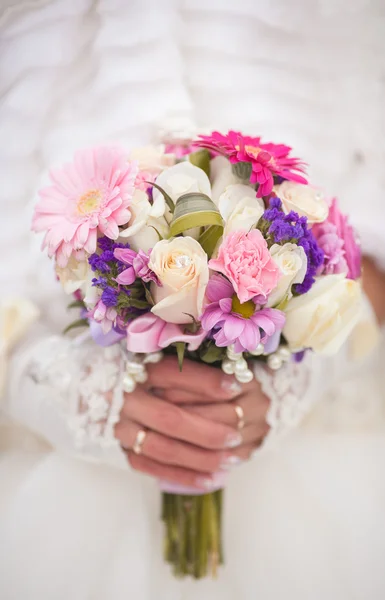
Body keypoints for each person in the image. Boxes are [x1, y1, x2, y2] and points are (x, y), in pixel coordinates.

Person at [0, 1, 385, 599]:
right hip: (51, 486)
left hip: (306, 474)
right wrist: (49, 388)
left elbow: (373, 259)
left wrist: (304, 370)